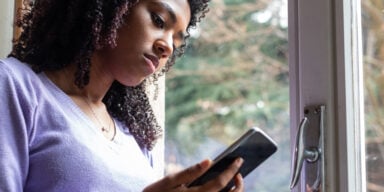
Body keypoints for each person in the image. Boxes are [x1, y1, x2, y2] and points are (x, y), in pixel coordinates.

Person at [0, 0, 245, 191]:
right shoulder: (15, 86)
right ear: (114, 7)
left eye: (176, 42)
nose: (168, 46)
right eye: (159, 20)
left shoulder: (133, 138)